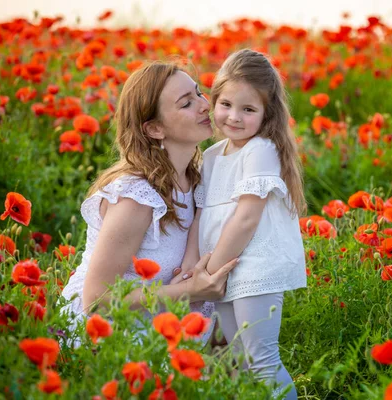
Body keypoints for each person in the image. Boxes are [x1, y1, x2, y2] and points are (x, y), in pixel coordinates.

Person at [60, 60, 238, 344]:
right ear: (155, 129)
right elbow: (95, 301)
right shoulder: (137, 196)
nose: (205, 105)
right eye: (186, 103)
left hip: (160, 317)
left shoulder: (198, 178)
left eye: (198, 93)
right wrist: (192, 291)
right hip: (105, 333)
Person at [180, 49, 307, 399]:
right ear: (214, 100)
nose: (234, 117)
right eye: (226, 104)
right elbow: (200, 214)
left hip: (253, 268)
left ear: (267, 114)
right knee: (236, 359)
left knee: (262, 359)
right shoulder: (210, 156)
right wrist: (194, 264)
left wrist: (213, 267)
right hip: (221, 269)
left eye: (248, 109)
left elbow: (247, 217)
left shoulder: (260, 149)